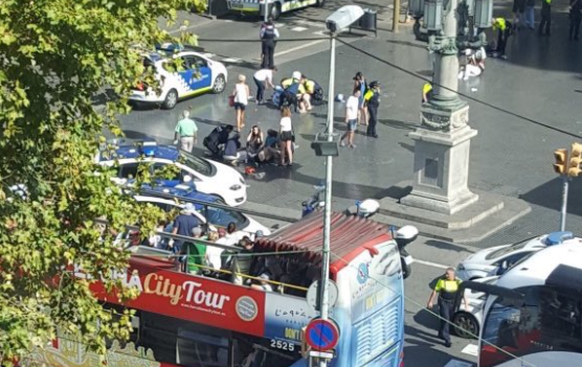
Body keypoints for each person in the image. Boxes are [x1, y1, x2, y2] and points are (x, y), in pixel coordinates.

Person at [427, 267, 469, 347]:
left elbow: (463, 293)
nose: (446, 275)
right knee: (446, 319)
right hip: (444, 302)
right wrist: (431, 301)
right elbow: (435, 291)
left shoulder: (458, 282)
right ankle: (447, 339)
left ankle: (441, 333)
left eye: (448, 274)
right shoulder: (442, 281)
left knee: (447, 319)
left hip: (453, 303)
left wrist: (466, 304)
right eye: (446, 273)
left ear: (453, 275)